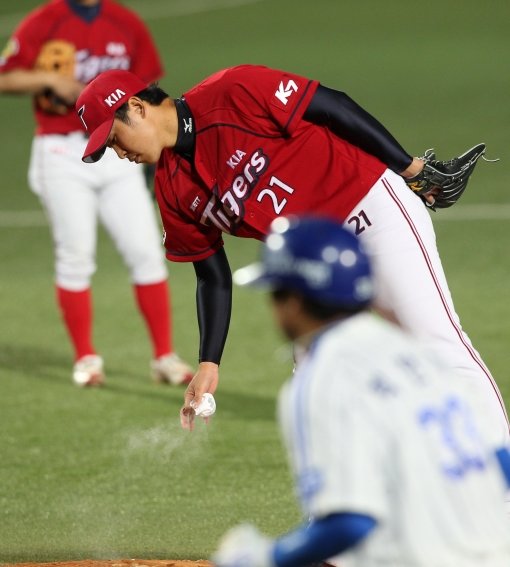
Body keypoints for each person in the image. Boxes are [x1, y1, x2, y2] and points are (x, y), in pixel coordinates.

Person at [74, 65, 508, 439]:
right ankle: (340, 509)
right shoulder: (170, 191)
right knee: (317, 388)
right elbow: (211, 274)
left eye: (113, 139)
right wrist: (209, 362)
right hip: (315, 268)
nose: (119, 153)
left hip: (372, 213)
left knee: (436, 345)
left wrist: (408, 166)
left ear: (136, 106)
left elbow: (329, 105)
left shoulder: (230, 91)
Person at [212, 215, 510, 567]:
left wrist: (265, 557)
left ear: (293, 301)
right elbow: (501, 462)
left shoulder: (320, 378)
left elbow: (350, 522)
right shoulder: (423, 356)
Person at [0, 0, 193, 386]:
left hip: (120, 150)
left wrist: (158, 150)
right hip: (62, 151)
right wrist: (47, 81)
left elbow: (150, 92)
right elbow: (4, 77)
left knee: (146, 251)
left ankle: (163, 357)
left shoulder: (125, 22)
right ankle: (86, 357)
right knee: (76, 256)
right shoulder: (44, 21)